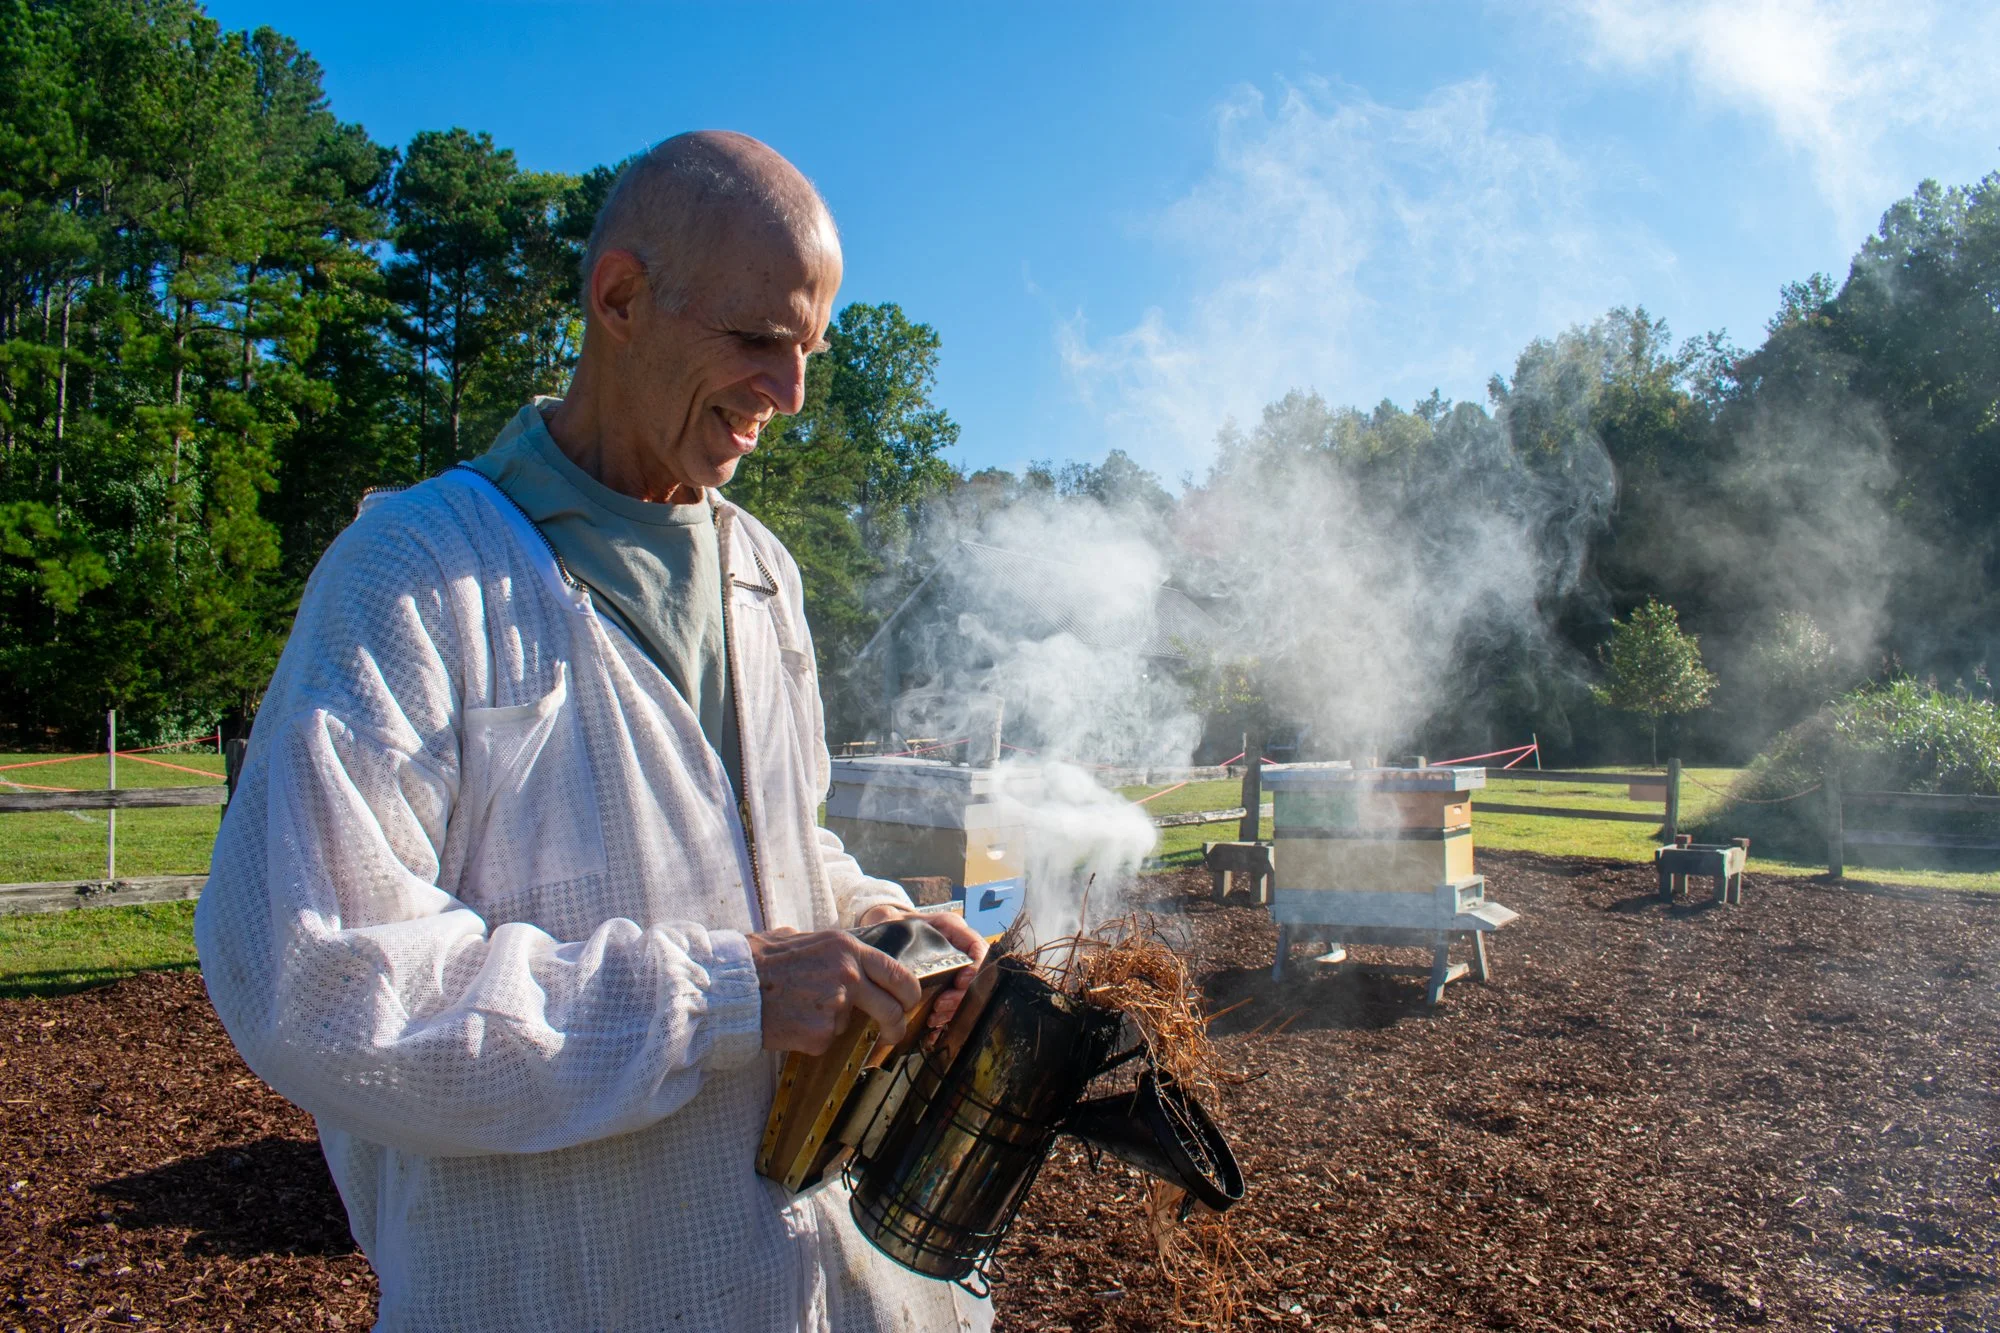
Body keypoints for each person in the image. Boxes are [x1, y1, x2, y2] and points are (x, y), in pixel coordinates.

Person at [195, 131, 991, 1333]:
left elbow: (779, 846)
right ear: (618, 297)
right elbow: (319, 977)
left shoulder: (762, 571)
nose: (790, 396)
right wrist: (725, 997)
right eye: (757, 341)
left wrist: (878, 928)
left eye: (807, 352)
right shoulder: (413, 571)